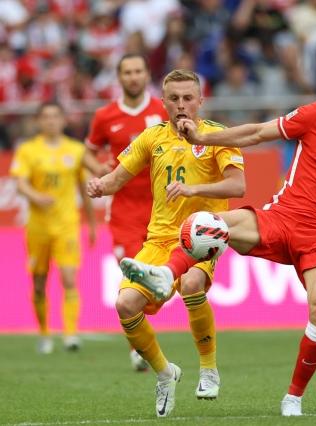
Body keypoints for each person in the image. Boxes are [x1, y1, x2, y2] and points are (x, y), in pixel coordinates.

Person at [120, 61, 316, 416]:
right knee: (205, 223)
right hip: (282, 217)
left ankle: (293, 397)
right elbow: (256, 133)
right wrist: (203, 138)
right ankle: (165, 275)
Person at [86, 69, 246, 418]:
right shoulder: (152, 137)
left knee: (191, 283)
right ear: (163, 102)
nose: (181, 104)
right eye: (174, 98)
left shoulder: (218, 136)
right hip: (158, 238)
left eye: (188, 98)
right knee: (125, 305)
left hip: (200, 234)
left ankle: (208, 368)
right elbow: (117, 178)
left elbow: (238, 186)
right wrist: (100, 186)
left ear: (200, 100)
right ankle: (165, 373)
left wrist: (193, 189)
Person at [85, 53, 168, 372]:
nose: (133, 77)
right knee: (134, 273)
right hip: (123, 210)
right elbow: (88, 153)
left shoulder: (162, 110)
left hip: (161, 208)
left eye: (138, 71)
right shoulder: (105, 115)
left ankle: (142, 333)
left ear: (147, 75)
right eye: (127, 72)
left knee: (158, 282)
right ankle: (138, 348)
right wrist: (99, 169)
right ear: (119, 77)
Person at [10, 102, 97, 354]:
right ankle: (44, 332)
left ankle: (70, 334)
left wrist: (92, 223)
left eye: (55, 116)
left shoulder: (76, 150)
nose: (51, 121)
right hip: (38, 227)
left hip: (67, 225)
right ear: (38, 121)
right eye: (46, 117)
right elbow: (20, 182)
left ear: (63, 120)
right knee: (39, 283)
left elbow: (85, 189)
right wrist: (36, 196)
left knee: (69, 278)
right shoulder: (28, 150)